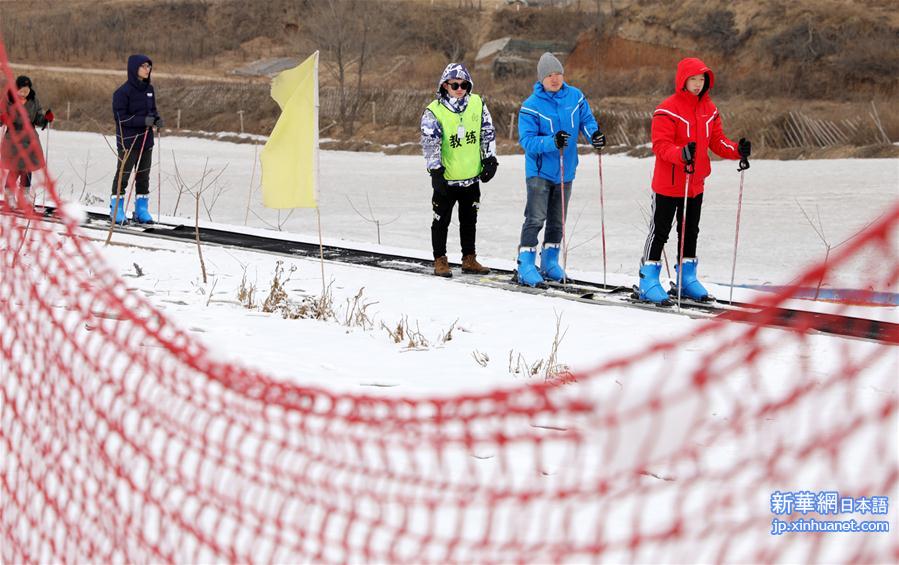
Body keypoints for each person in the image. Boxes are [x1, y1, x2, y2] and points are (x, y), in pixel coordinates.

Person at [637, 57, 751, 304]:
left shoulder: (709, 110)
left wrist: (736, 150)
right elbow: (661, 146)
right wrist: (681, 154)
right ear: (683, 80)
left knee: (690, 232)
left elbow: (717, 141)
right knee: (660, 231)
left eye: (702, 80)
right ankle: (647, 279)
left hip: (695, 183)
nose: (698, 84)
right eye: (693, 79)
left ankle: (686, 279)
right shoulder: (667, 109)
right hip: (669, 184)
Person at [516, 52, 605, 287]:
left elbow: (587, 120)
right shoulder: (530, 106)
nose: (555, 79)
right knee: (536, 218)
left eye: (558, 74)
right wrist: (551, 142)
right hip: (539, 171)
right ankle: (525, 264)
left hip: (566, 170)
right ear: (541, 79)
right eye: (549, 75)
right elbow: (527, 141)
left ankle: (550, 262)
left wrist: (594, 135)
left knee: (558, 220)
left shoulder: (575, 96)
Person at [420, 63, 497, 277]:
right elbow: (430, 144)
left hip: (471, 177)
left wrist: (490, 159)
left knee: (469, 220)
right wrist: (435, 172)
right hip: (447, 179)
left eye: (464, 84)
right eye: (455, 85)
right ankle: (440, 259)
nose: (460, 88)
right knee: (441, 220)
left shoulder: (477, 104)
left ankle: (469, 258)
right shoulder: (434, 111)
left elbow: (487, 132)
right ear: (445, 85)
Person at [111, 54, 163, 224]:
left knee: (143, 175)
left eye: (149, 66)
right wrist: (143, 121)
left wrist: (156, 119)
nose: (147, 70)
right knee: (123, 175)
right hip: (129, 141)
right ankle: (116, 209)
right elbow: (121, 118)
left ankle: (141, 209)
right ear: (134, 69)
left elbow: (152, 110)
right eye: (144, 66)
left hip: (146, 140)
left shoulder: (149, 90)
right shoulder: (122, 92)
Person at [0, 75, 52, 209]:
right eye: (22, 90)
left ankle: (24, 197)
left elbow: (38, 118)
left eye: (26, 90)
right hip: (13, 138)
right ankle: (9, 196)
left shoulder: (34, 100)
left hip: (29, 138)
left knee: (27, 169)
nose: (24, 93)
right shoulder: (8, 100)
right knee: (14, 168)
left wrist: (46, 118)